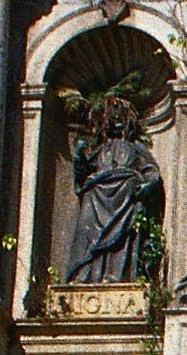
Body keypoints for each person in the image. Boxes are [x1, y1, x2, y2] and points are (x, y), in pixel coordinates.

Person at [65, 104, 164, 285]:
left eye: (122, 118)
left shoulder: (135, 148)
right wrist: (79, 155)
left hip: (126, 194)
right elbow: (83, 173)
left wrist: (148, 185)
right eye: (113, 118)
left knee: (122, 235)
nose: (117, 121)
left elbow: (151, 172)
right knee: (87, 228)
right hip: (96, 196)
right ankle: (86, 274)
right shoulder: (102, 149)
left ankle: (116, 276)